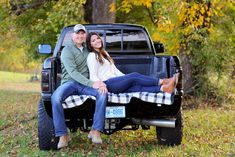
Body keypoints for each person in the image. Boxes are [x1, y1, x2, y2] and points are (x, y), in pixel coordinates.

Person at [51, 25, 108, 149]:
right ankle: (63, 135)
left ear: (85, 36)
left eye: (83, 34)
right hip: (69, 83)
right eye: (78, 33)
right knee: (55, 98)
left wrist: (100, 81)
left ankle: (96, 131)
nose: (80, 36)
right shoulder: (67, 50)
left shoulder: (88, 50)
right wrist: (92, 84)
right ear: (72, 35)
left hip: (85, 84)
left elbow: (100, 60)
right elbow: (73, 73)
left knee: (102, 93)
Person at [86, 32, 178, 94]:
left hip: (115, 82)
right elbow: (93, 75)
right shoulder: (92, 56)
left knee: (134, 87)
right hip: (107, 84)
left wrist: (125, 78)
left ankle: (163, 89)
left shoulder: (104, 53)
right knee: (134, 76)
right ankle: (163, 81)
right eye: (93, 40)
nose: (97, 41)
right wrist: (100, 85)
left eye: (98, 38)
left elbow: (114, 70)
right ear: (90, 44)